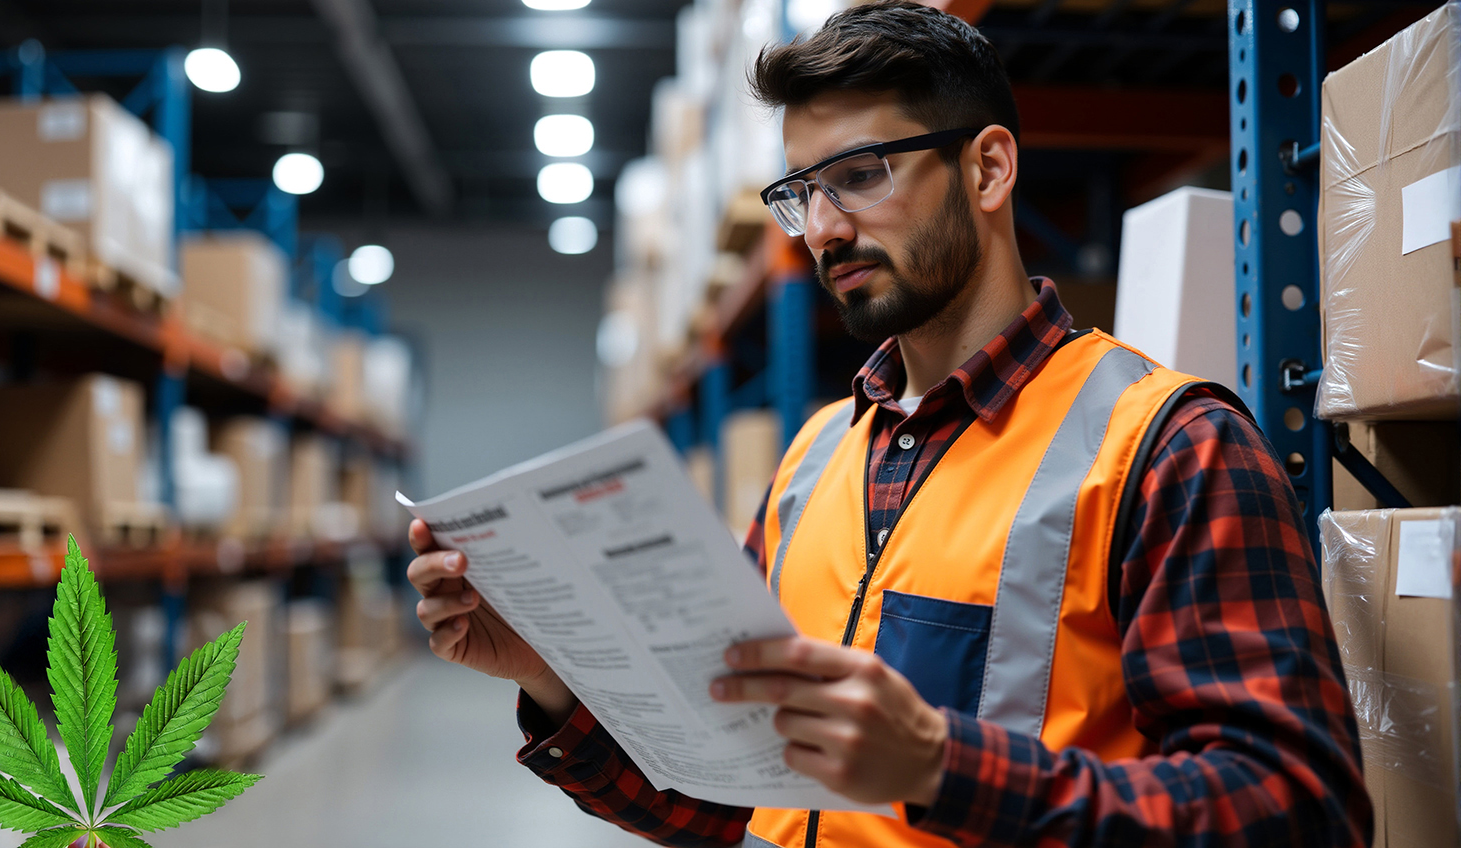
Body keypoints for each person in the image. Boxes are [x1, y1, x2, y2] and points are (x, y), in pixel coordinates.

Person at [406, 3, 1371, 845]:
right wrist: (553, 680)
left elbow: (1298, 813)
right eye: (798, 193)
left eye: (860, 174)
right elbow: (728, 802)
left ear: (988, 168)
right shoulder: (813, 460)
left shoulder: (1170, 448)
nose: (822, 227)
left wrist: (942, 771)